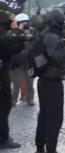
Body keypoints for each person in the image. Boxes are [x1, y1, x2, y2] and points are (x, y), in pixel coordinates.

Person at [35, 9, 65, 153]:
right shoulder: (53, 37)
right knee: (54, 118)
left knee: (44, 115)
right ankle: (50, 148)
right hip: (52, 81)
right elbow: (57, 57)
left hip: (44, 80)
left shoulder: (45, 34)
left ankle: (40, 147)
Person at [0, 11, 27, 149]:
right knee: (3, 106)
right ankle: (3, 138)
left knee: (5, 106)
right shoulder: (4, 36)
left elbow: (9, 50)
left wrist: (23, 43)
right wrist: (23, 38)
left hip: (3, 75)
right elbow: (5, 41)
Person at [8, 13, 35, 106]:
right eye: (23, 23)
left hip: (29, 62)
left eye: (26, 22)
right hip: (17, 63)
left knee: (30, 83)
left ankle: (30, 98)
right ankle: (13, 100)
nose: (25, 24)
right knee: (16, 83)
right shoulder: (12, 33)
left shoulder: (32, 32)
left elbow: (35, 45)